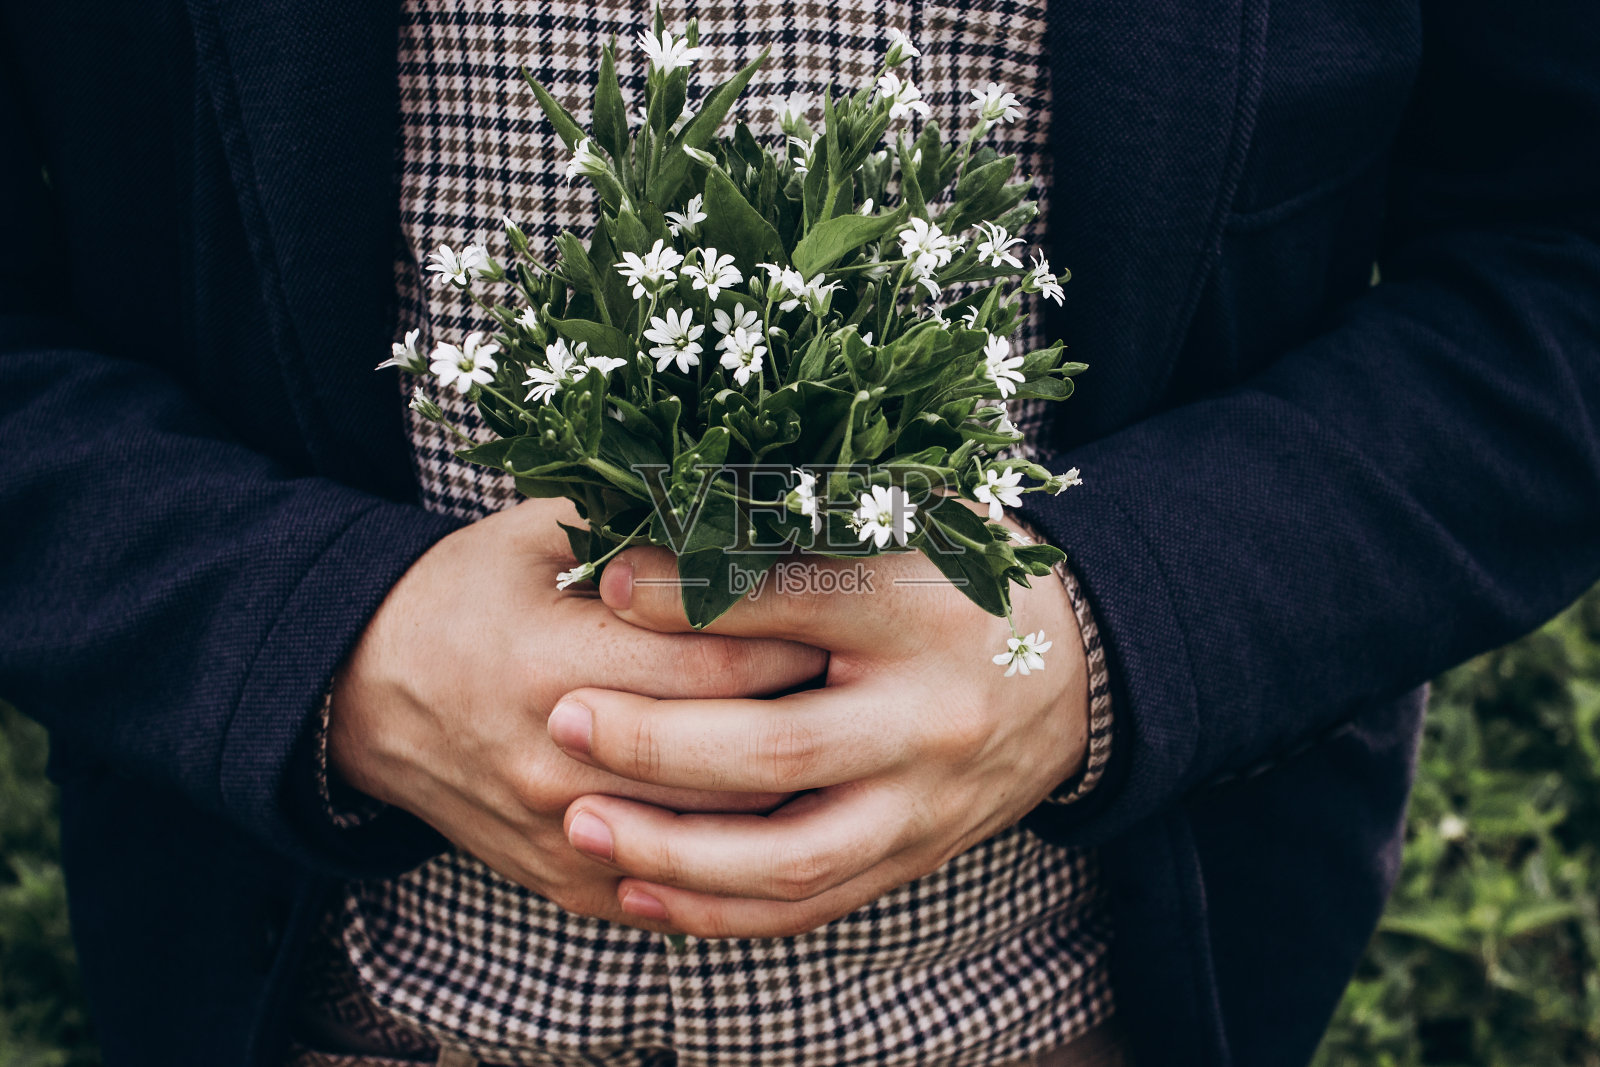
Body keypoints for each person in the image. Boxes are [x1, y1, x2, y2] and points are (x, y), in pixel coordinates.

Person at [1, 1, 1596, 1066]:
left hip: (1078, 1010)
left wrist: (1096, 639)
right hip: (319, 1002)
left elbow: (1554, 266)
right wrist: (323, 645)